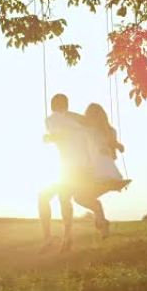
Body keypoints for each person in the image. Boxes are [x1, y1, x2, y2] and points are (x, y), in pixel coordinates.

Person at [39, 93, 87, 253]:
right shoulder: (75, 121)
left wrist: (49, 138)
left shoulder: (52, 119)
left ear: (53, 106)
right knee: (64, 199)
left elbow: (61, 135)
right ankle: (67, 237)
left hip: (67, 165)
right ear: (66, 106)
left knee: (44, 197)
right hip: (81, 166)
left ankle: (48, 238)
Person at [74, 103, 130, 237]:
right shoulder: (111, 131)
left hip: (96, 175)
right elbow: (114, 156)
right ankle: (102, 223)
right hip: (113, 176)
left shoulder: (86, 130)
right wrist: (115, 146)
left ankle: (101, 221)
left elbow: (71, 117)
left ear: (88, 116)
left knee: (79, 197)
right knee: (90, 199)